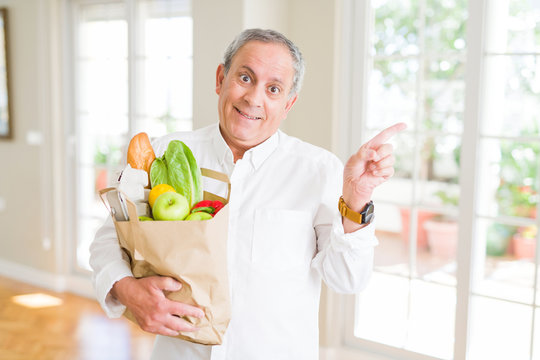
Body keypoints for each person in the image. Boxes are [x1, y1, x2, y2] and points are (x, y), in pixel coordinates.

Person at [90, 28, 406, 359]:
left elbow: (347, 280)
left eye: (273, 89)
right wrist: (126, 290)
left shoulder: (320, 170)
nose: (254, 99)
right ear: (220, 78)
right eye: (245, 78)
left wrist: (357, 199)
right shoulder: (164, 154)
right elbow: (108, 240)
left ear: (288, 103)